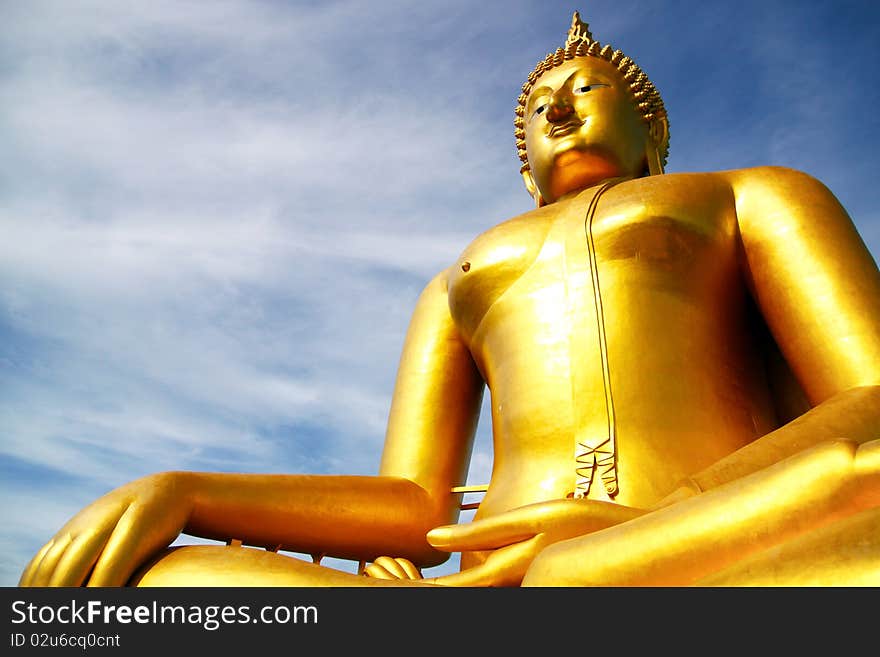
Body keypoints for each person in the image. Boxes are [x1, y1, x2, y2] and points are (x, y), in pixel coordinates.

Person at [20, 12, 880, 587]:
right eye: (540, 104)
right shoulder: (459, 275)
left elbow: (869, 399)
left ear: (651, 127)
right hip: (493, 577)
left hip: (684, 537)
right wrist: (185, 492)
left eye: (586, 89)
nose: (556, 107)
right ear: (522, 163)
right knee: (177, 582)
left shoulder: (750, 194)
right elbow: (415, 504)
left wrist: (664, 512)